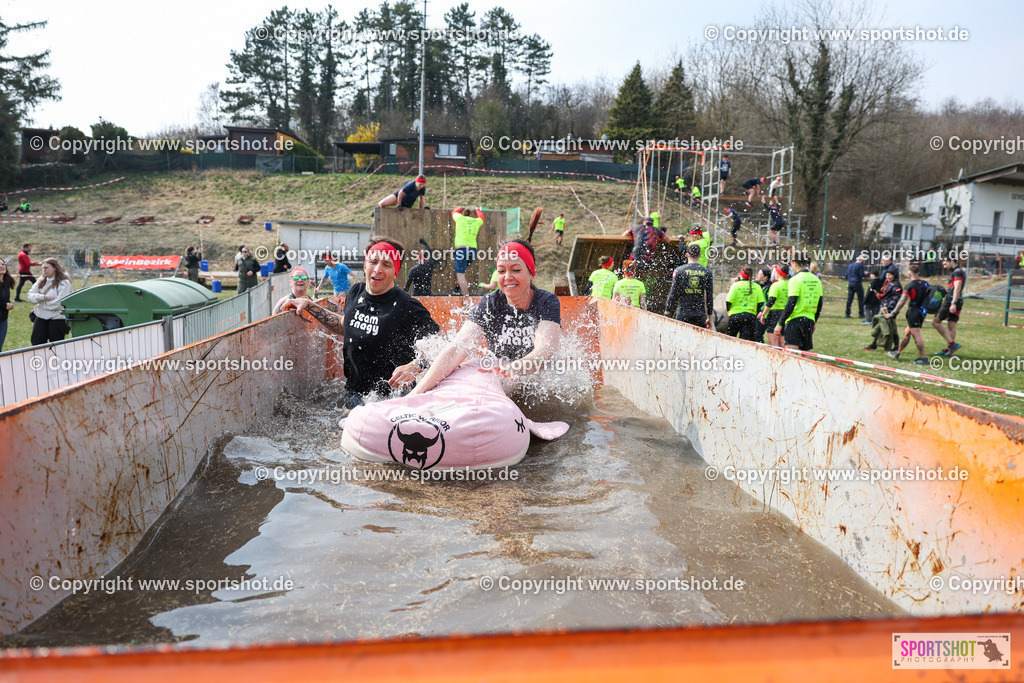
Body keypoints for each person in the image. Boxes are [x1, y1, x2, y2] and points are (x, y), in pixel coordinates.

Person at [292, 238, 441, 408]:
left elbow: (443, 347)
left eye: (387, 264)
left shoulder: (407, 306)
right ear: (365, 265)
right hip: (354, 395)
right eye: (373, 262)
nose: (378, 269)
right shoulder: (355, 292)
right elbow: (345, 325)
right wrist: (309, 305)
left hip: (391, 401)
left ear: (395, 272)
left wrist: (416, 365)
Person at [410, 239, 559, 393]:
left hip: (534, 378)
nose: (507, 277)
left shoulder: (546, 301)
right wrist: (415, 394)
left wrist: (514, 367)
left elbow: (545, 349)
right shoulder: (490, 303)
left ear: (531, 273)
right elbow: (457, 348)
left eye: (515, 270)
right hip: (502, 374)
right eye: (501, 271)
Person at [777, 255, 823, 351]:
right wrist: (814, 321)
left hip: (795, 320)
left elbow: (791, 303)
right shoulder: (817, 280)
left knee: (791, 351)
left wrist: (780, 323)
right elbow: (819, 304)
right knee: (806, 353)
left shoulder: (795, 279)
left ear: (794, 263)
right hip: (809, 320)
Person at [886, 264, 930, 364]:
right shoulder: (926, 284)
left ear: (909, 273)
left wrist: (893, 312)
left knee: (916, 334)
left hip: (913, 311)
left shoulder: (910, 285)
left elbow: (902, 301)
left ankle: (923, 358)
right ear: (918, 273)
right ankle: (898, 352)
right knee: (908, 332)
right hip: (922, 312)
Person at [665, 243, 713, 328]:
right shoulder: (707, 272)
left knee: (681, 339)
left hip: (683, 313)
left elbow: (673, 293)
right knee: (698, 340)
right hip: (700, 315)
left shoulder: (679, 271)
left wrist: (667, 312)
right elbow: (709, 297)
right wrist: (710, 318)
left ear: (687, 255)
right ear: (700, 255)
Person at [27, 258, 73, 346]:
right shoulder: (41, 280)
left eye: (46, 268)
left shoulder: (64, 282)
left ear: (55, 268)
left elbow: (60, 303)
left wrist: (41, 303)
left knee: (56, 346)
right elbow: (30, 296)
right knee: (37, 343)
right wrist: (43, 297)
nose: (44, 270)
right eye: (42, 268)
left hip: (58, 319)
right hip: (41, 317)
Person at [933, 256, 966, 357]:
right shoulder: (959, 271)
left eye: (945, 264)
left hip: (952, 300)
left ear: (952, 261)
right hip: (957, 300)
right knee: (952, 324)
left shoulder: (957, 272)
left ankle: (952, 344)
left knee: (936, 322)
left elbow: (957, 288)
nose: (944, 266)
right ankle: (948, 349)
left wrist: (953, 303)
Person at [863, 271, 902, 352]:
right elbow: (886, 296)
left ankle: (895, 346)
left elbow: (896, 298)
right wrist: (879, 295)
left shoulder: (896, 285)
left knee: (891, 328)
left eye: (890, 275)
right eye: (887, 275)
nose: (888, 277)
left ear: (894, 275)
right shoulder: (888, 283)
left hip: (890, 310)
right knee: (881, 327)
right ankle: (875, 345)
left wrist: (888, 308)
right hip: (884, 308)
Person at [725, 266, 765, 341]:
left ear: (741, 275)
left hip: (735, 315)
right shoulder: (757, 286)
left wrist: (728, 310)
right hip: (750, 316)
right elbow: (760, 302)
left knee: (729, 339)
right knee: (745, 341)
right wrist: (756, 312)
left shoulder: (735, 285)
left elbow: (728, 301)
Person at [452, 206, 485, 296]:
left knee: (460, 274)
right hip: (472, 250)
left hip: (461, 250)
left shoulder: (459, 218)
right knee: (464, 269)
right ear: (471, 215)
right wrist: (477, 209)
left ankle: (466, 297)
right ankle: (458, 286)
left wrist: (460, 207)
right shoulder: (476, 221)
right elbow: (481, 217)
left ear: (463, 214)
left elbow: (454, 212)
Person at [759, 264, 790, 348]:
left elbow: (771, 301)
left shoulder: (775, 285)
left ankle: (776, 360)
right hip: (787, 314)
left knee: (774, 345)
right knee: (782, 345)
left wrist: (763, 314)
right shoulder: (790, 284)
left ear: (779, 273)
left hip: (775, 314)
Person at [752, 267, 772, 342]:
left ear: (765, 277)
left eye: (759, 274)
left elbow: (769, 302)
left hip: (764, 314)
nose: (757, 275)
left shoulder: (769, 287)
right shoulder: (756, 285)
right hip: (755, 313)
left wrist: (763, 312)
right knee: (752, 335)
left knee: (757, 335)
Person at [844, 254, 867, 318]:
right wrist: (865, 273)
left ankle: (847, 313)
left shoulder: (850, 265)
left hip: (850, 283)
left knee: (849, 299)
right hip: (857, 283)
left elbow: (846, 275)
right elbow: (862, 274)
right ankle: (861, 314)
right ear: (862, 260)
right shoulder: (860, 265)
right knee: (860, 299)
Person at [0, 261, 14, 351]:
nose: (1, 266)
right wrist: (5, 305)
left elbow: (4, 297)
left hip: (3, 319)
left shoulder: (7, 281)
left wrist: (8, 304)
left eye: (2, 264)